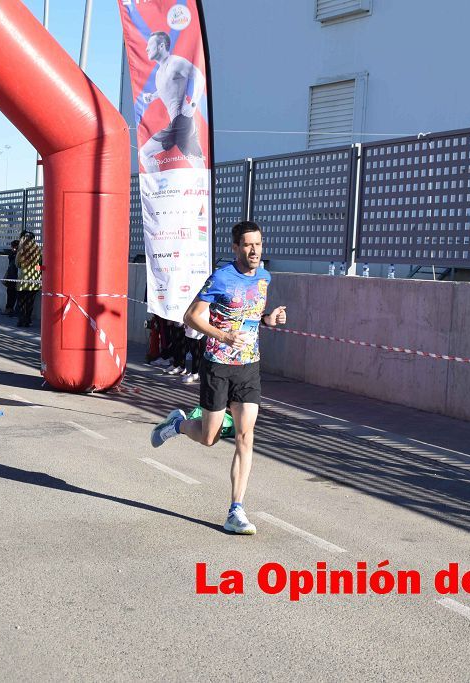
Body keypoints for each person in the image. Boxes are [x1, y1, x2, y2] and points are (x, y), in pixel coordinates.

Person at [150, 221, 287, 535]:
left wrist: (270, 318)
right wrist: (223, 337)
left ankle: (235, 509)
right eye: (248, 245)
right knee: (210, 437)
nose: (255, 251)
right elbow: (191, 316)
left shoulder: (264, 278)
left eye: (259, 244)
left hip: (249, 367)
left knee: (245, 436)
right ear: (236, 247)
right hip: (218, 366)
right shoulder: (221, 278)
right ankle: (178, 425)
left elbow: (253, 317)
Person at [139, 31, 206, 173]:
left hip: (180, 121)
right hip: (183, 123)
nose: (146, 49)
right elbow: (168, 88)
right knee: (200, 169)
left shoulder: (176, 62)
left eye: (150, 45)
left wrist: (193, 104)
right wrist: (152, 96)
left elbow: (199, 76)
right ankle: (213, 190)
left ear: (161, 46)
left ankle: (156, 191)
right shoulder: (159, 73)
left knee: (145, 153)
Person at [15, 231, 41, 327]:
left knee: (21, 302)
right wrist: (36, 268)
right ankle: (28, 320)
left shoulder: (20, 251)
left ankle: (21, 320)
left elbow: (17, 264)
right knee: (30, 302)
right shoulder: (38, 251)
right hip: (34, 281)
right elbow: (41, 266)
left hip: (23, 280)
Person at [2, 239, 20, 316]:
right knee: (10, 294)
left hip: (15, 277)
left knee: (14, 295)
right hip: (11, 277)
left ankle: (11, 310)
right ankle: (9, 309)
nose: (12, 248)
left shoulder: (18, 255)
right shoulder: (12, 254)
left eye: (13, 247)